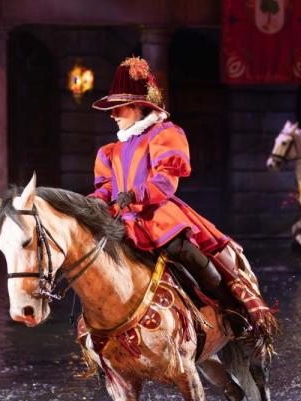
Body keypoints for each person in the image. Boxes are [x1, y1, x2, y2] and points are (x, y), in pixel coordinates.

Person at [89, 56, 272, 333]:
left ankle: (228, 307)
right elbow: (106, 187)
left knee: (180, 249)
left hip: (155, 212)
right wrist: (91, 202)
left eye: (119, 108)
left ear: (138, 107)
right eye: (112, 109)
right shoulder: (109, 150)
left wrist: (136, 194)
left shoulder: (163, 135)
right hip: (120, 217)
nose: (112, 115)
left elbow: (165, 182)